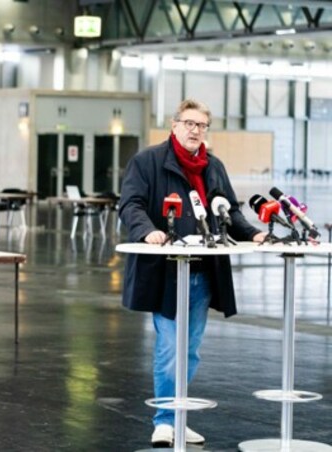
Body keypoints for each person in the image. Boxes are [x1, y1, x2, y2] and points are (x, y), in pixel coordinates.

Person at [119, 99, 267, 447]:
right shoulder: (147, 162)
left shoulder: (213, 167)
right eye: (189, 123)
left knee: (191, 350)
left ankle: (179, 417)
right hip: (168, 272)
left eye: (201, 125)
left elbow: (229, 211)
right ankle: (165, 420)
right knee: (171, 346)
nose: (195, 130)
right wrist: (146, 230)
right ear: (174, 126)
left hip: (203, 272)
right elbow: (130, 204)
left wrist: (254, 233)